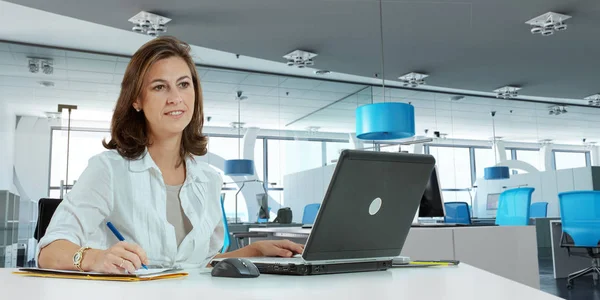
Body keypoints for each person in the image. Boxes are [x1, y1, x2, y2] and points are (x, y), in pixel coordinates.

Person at [37, 36, 303, 274]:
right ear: (137, 100)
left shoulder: (208, 180)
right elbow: (49, 251)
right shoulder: (108, 170)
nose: (176, 98)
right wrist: (94, 258)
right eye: (159, 87)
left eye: (183, 84)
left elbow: (199, 265)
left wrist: (255, 251)